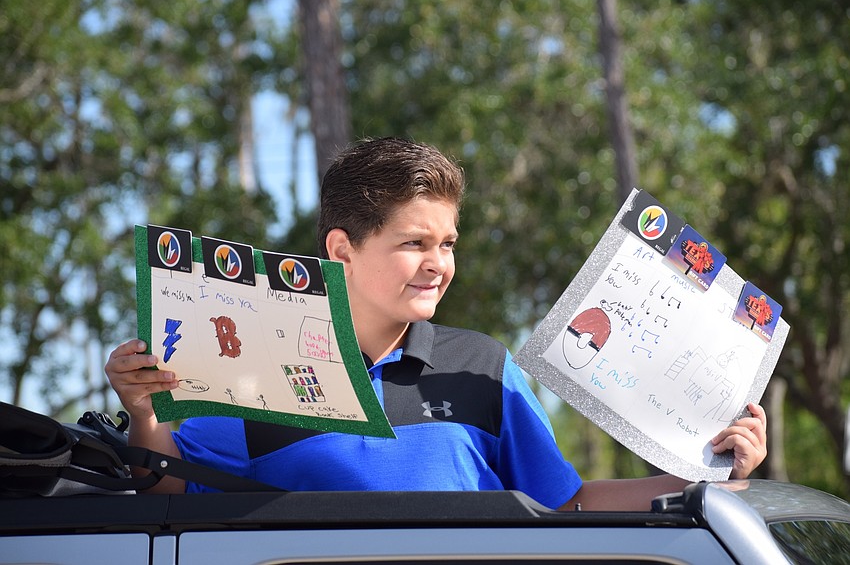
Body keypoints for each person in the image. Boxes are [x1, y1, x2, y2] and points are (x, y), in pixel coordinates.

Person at [105, 137, 768, 510]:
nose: (437, 265)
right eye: (414, 244)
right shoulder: (250, 370)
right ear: (342, 250)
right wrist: (144, 415)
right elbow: (171, 502)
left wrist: (711, 476)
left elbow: (566, 504)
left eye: (447, 243)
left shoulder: (485, 368)